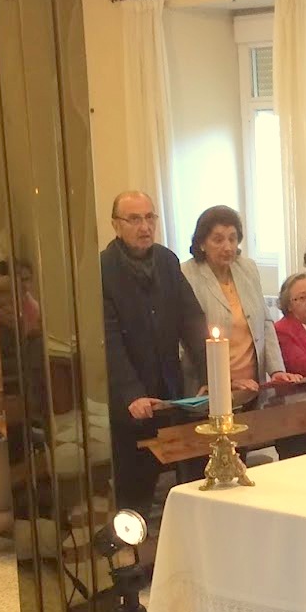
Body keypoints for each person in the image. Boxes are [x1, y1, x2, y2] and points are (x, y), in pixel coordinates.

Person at [102, 190, 208, 515]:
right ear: (116, 225)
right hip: (129, 399)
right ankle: (129, 556)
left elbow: (191, 319)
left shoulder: (166, 260)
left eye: (150, 217)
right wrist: (132, 393)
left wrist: (210, 375)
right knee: (136, 485)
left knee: (189, 475)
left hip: (170, 390)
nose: (144, 226)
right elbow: (108, 339)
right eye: (134, 219)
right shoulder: (103, 269)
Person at [181, 206, 300, 404]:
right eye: (218, 240)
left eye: (232, 238)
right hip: (209, 387)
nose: (227, 247)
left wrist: (277, 370)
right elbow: (190, 339)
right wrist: (224, 380)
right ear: (202, 243)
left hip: (253, 385)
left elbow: (265, 323)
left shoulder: (247, 268)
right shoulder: (187, 274)